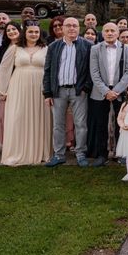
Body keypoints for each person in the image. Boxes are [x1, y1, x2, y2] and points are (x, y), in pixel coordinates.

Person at [0, 22, 52, 165]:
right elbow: (4, 69)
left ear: (40, 34)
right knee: (18, 118)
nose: (33, 34)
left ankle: (39, 152)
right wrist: (2, 90)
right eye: (30, 32)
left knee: (39, 117)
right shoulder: (15, 48)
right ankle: (18, 152)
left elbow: (51, 70)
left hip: (40, 88)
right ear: (24, 33)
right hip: (18, 87)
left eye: (36, 32)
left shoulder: (46, 49)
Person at [43, 17, 93, 167]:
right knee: (58, 124)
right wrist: (47, 93)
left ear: (79, 28)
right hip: (58, 91)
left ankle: (80, 153)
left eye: (75, 26)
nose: (72, 28)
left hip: (79, 91)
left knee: (81, 124)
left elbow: (92, 70)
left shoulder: (87, 45)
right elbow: (48, 70)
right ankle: (59, 154)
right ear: (62, 28)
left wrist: (86, 88)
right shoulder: (53, 46)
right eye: (68, 26)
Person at [87, 22, 128, 166]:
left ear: (117, 33)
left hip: (119, 91)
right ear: (102, 34)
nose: (109, 33)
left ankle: (121, 153)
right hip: (100, 92)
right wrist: (106, 91)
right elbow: (94, 72)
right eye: (106, 31)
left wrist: (117, 90)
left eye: (112, 31)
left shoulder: (126, 49)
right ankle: (102, 154)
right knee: (101, 124)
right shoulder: (95, 49)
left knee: (120, 124)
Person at [0, 21, 21, 151]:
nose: (11, 32)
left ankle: (16, 145)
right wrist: (1, 89)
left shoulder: (23, 47)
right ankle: (5, 146)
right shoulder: (2, 49)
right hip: (2, 88)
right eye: (8, 30)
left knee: (16, 118)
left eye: (14, 29)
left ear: (19, 30)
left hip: (18, 86)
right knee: (2, 118)